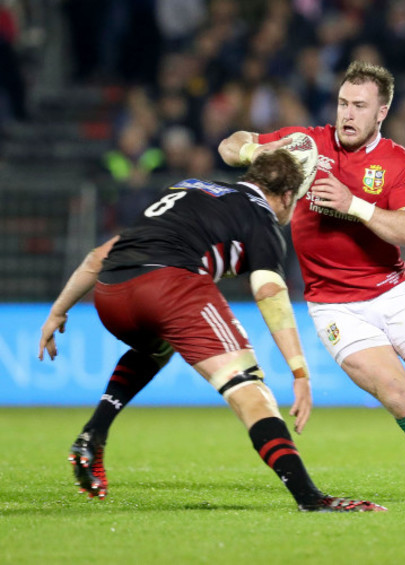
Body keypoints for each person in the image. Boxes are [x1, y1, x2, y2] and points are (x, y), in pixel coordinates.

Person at [218, 61, 405, 503]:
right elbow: (229, 144)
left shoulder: (397, 163)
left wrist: (355, 204)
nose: (347, 115)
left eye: (359, 106)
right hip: (333, 307)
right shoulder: (306, 144)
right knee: (396, 392)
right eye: (342, 104)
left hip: (392, 293)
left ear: (382, 112)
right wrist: (258, 153)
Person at [38, 148, 386, 513]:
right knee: (250, 391)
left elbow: (98, 256)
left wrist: (57, 312)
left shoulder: (192, 189)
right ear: (286, 196)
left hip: (110, 293)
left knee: (157, 346)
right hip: (169, 286)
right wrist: (299, 370)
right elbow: (269, 292)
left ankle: (93, 433)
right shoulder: (261, 218)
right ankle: (310, 498)